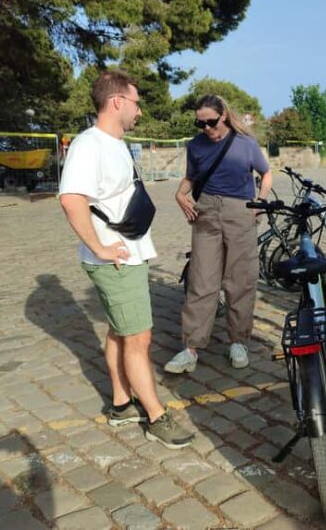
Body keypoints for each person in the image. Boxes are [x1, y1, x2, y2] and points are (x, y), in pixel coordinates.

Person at [59, 69, 194, 449]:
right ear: (117, 100)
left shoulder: (115, 142)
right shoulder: (90, 144)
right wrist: (100, 248)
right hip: (115, 260)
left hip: (126, 253)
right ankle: (156, 415)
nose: (139, 111)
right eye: (136, 102)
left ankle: (121, 404)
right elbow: (71, 199)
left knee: (120, 331)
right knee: (139, 337)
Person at [165, 95, 272, 374]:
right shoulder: (196, 145)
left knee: (240, 281)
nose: (206, 129)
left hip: (240, 212)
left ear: (223, 115)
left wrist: (259, 203)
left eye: (210, 122)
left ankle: (238, 342)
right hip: (207, 212)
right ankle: (191, 348)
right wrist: (180, 194)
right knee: (202, 280)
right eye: (200, 123)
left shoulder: (245, 143)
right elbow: (192, 177)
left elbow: (266, 173)